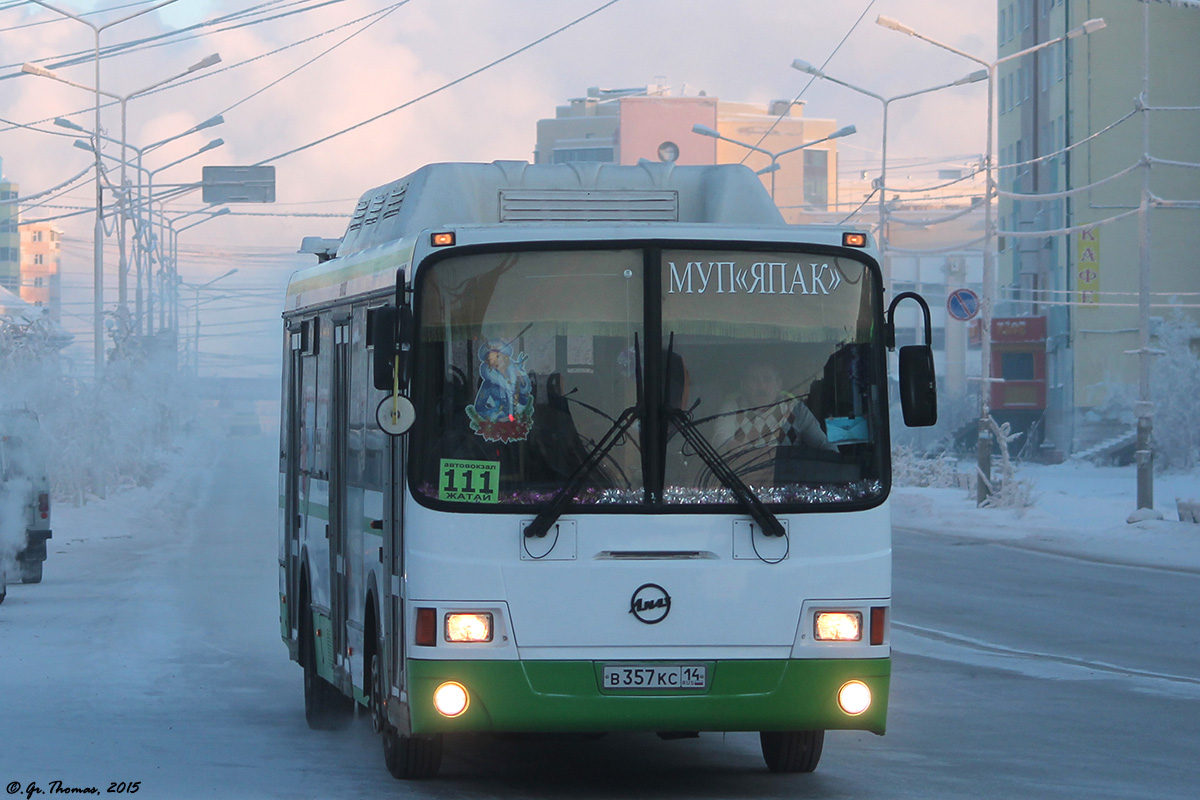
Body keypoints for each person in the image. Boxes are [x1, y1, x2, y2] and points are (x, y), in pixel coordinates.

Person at [714, 362, 836, 453]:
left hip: (785, 480)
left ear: (778, 384)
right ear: (744, 385)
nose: (761, 386)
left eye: (767, 379)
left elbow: (823, 445)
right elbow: (720, 441)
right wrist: (730, 446)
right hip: (743, 480)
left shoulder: (796, 410)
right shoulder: (731, 408)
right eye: (754, 380)